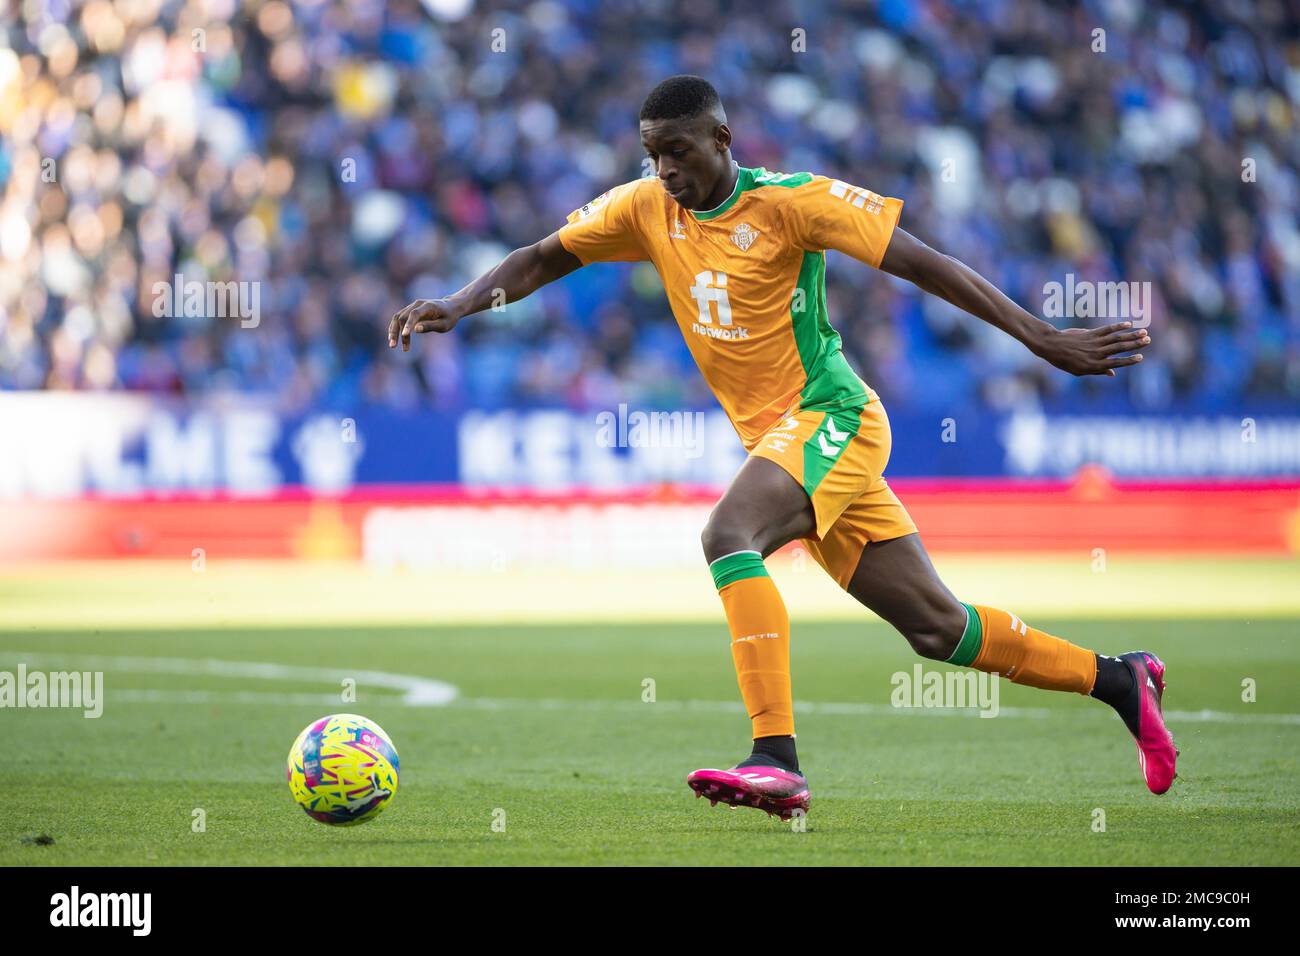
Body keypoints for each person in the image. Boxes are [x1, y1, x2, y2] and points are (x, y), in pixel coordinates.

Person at [388, 75, 1175, 820]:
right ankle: (1120, 680)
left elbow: (922, 263)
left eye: (679, 152)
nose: (665, 170)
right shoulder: (643, 209)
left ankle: (776, 757)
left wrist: (1041, 337)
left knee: (728, 534)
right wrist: (459, 305)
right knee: (938, 630)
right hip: (786, 444)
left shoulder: (791, 203)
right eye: (652, 154)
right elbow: (541, 256)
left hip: (832, 416)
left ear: (721, 138)